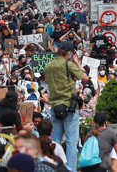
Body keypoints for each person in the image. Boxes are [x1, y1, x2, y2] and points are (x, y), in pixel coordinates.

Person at [43, 41, 86, 172]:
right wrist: (77, 62)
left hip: (55, 106)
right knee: (72, 142)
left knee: (55, 141)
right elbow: (85, 78)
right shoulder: (70, 65)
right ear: (69, 53)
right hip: (69, 107)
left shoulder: (48, 66)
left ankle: (53, 168)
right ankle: (70, 169)